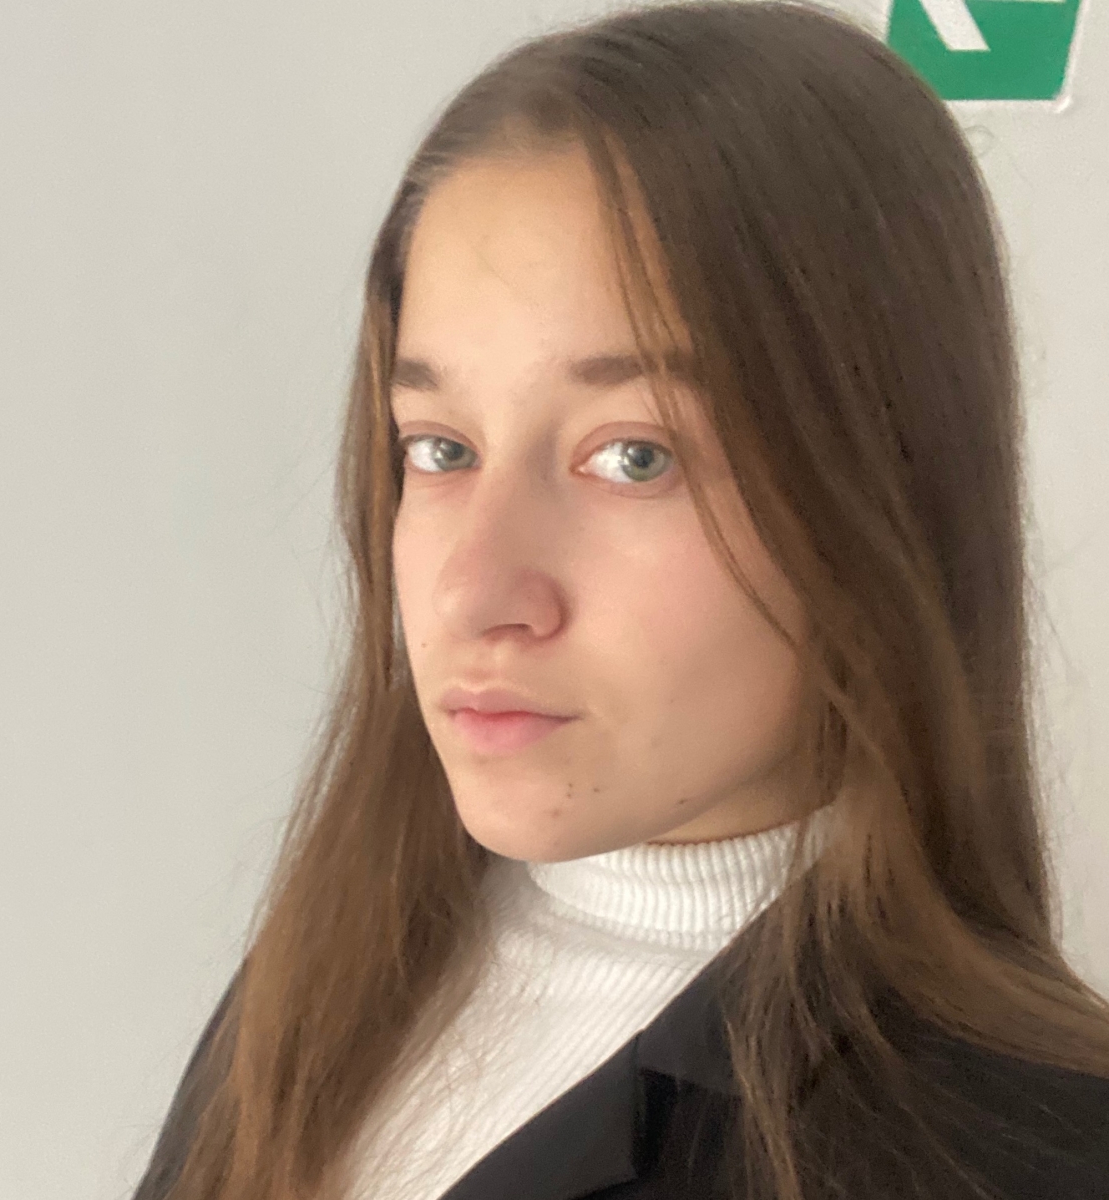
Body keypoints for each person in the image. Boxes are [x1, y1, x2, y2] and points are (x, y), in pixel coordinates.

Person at [130, 3, 1109, 1198]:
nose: (476, 592)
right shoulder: (327, 980)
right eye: (439, 448)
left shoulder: (1029, 1157)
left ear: (881, 483)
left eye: (633, 455)